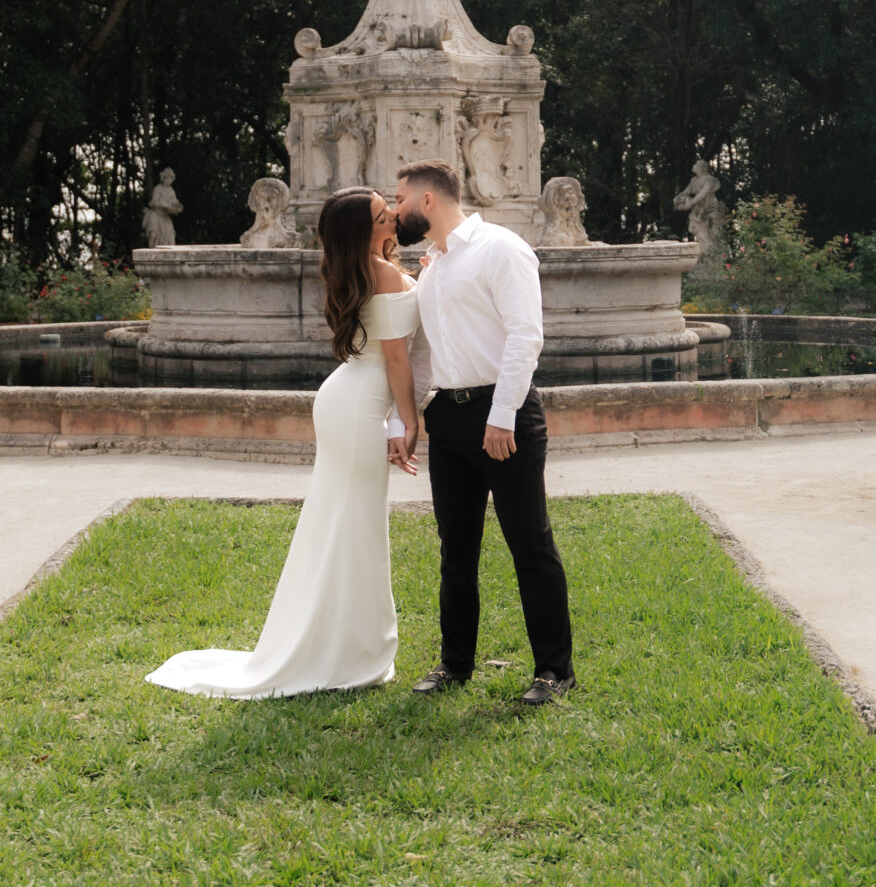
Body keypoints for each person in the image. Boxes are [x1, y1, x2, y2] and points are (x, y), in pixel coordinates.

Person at [145, 189, 420, 698]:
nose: (394, 219)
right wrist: (408, 421)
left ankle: (343, 641)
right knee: (351, 523)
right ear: (364, 231)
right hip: (359, 407)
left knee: (343, 521)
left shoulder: (370, 266)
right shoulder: (378, 271)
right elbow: (398, 360)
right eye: (384, 217)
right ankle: (342, 648)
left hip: (351, 399)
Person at [392, 160, 576, 707]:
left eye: (398, 198)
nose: (393, 208)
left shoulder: (502, 248)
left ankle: (554, 671)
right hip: (448, 417)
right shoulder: (431, 267)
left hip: (506, 415)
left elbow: (526, 335)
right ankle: (455, 664)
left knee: (530, 543)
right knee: (456, 548)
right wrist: (410, 420)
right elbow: (425, 354)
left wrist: (501, 416)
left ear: (427, 201)